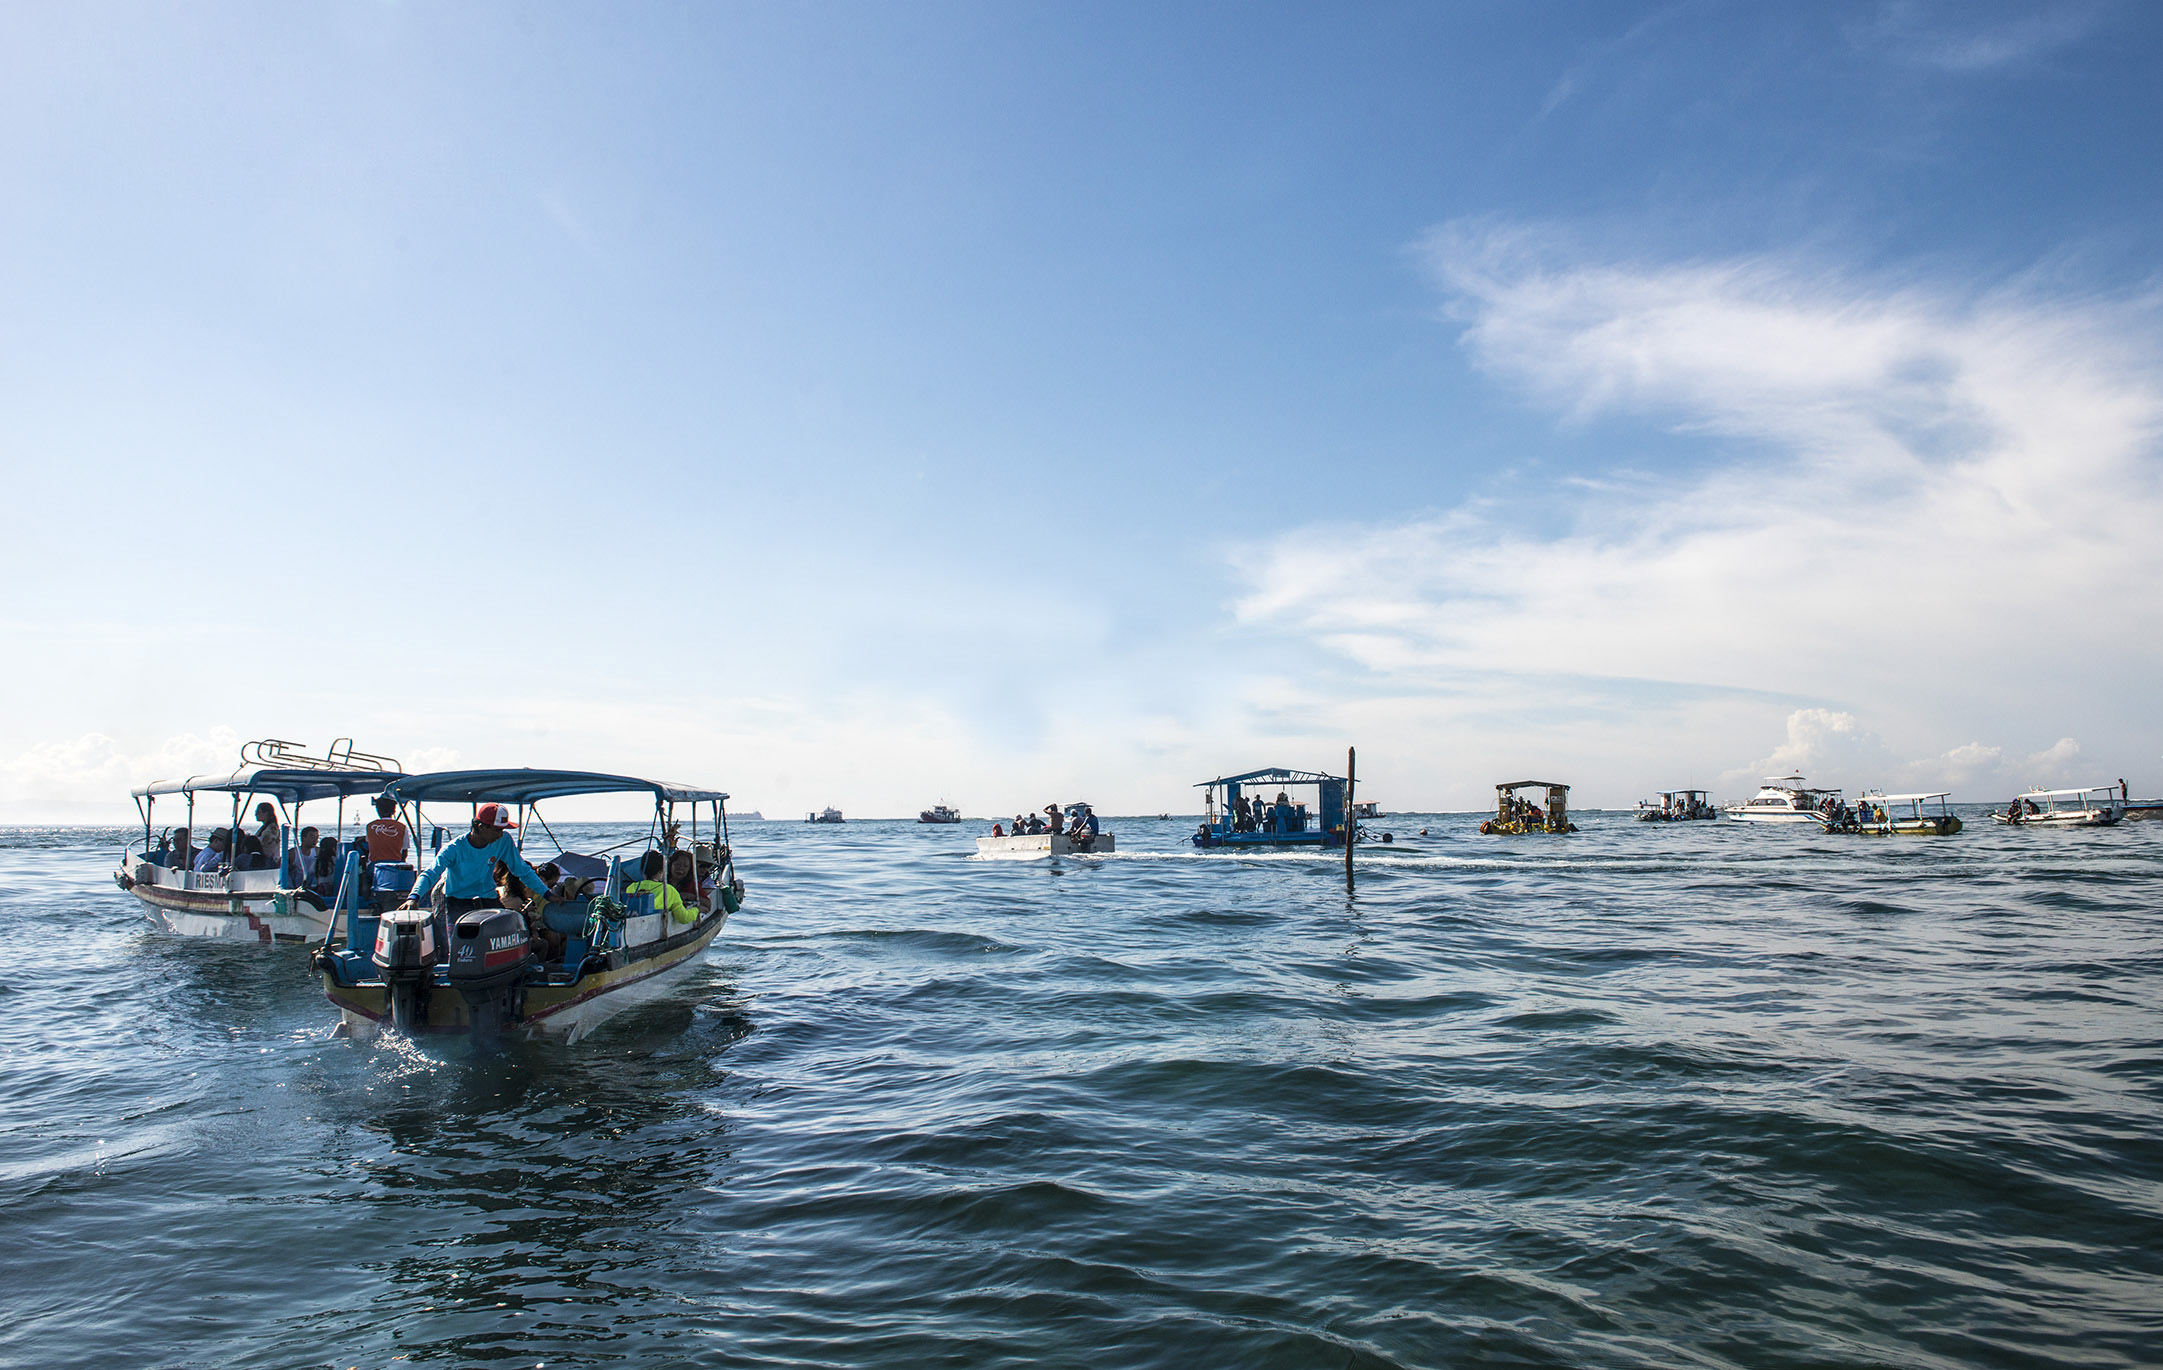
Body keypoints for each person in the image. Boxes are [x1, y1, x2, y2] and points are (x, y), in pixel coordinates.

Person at [400, 803, 558, 920]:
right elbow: (430, 873)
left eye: (503, 830)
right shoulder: (454, 849)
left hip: (488, 898)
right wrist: (414, 897)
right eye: (497, 830)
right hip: (458, 901)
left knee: (504, 933)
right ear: (481, 826)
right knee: (461, 947)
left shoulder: (503, 840)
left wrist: (547, 894)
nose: (500, 834)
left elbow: (522, 870)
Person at [626, 850, 696, 924]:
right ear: (662, 871)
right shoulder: (669, 890)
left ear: (641, 870)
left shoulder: (631, 887)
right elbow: (683, 918)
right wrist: (696, 910)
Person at [366, 796, 410, 863]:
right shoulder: (402, 827)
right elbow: (404, 852)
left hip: (374, 866)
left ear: (378, 810)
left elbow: (368, 844)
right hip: (395, 866)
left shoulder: (370, 826)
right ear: (393, 811)